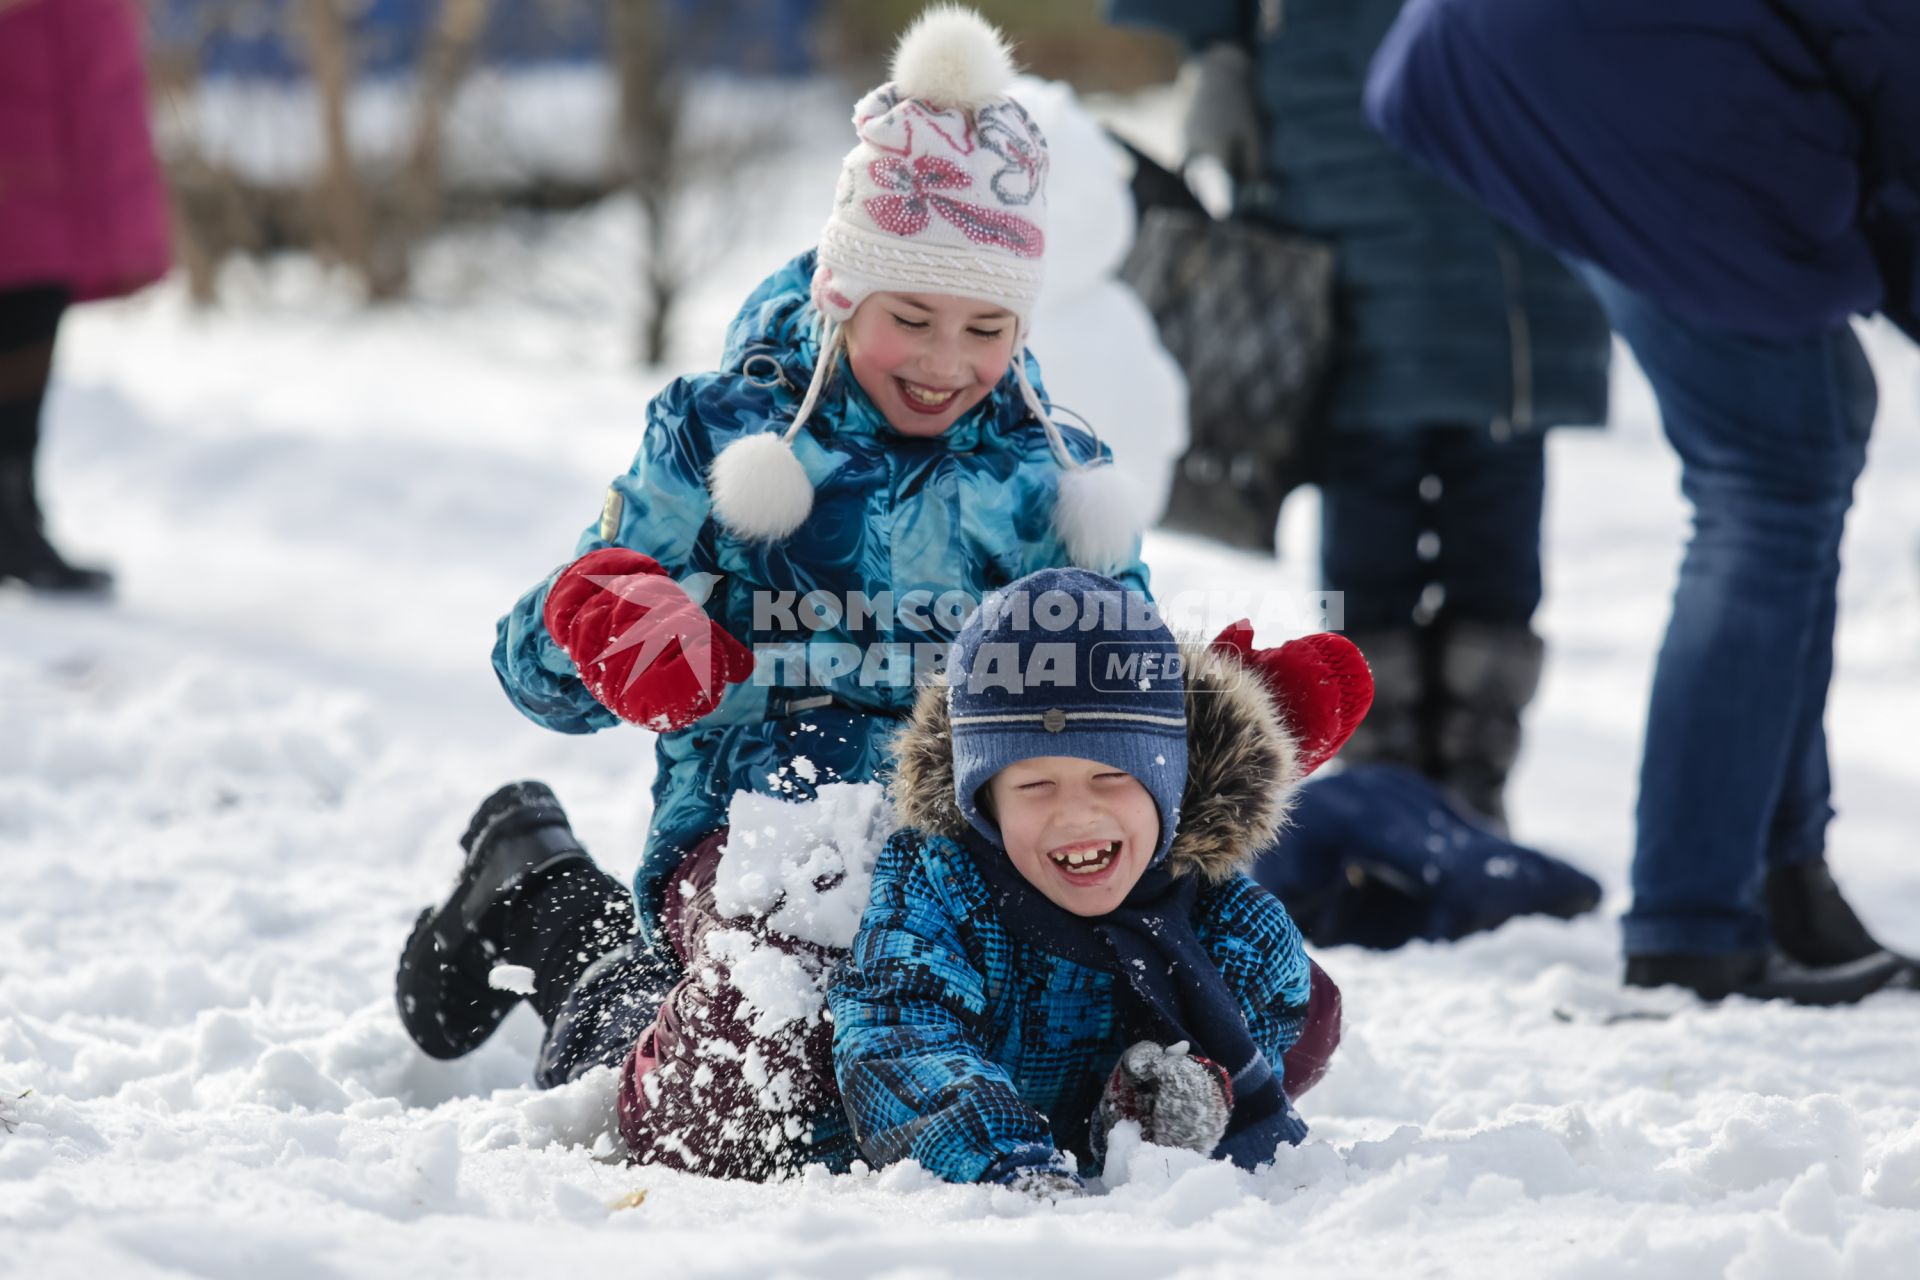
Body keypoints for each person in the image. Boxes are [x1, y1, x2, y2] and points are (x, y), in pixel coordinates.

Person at [395, 8, 1169, 1181]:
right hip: (758, 833)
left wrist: (1230, 726)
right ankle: (556, 911)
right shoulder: (722, 438)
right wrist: (611, 621)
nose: (947, 362)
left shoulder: (1050, 478)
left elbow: (1132, 691)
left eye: (987, 327)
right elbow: (533, 668)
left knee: (1053, 1063)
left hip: (975, 851)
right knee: (744, 1114)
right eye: (909, 317)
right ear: (845, 293)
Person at [1365, 0, 1920, 1003]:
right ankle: (1696, 916)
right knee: (1769, 476)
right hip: (1626, 70)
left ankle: (1779, 878)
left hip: (1547, 52)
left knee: (1811, 420)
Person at [1108, 0, 1613, 833]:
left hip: (1471, 120)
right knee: (1433, 462)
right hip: (1380, 123)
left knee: (1455, 463)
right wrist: (1217, 51)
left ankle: (1432, 776)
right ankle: (1413, 776)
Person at [830, 568, 1364, 1194]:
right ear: (985, 802)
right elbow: (899, 1031)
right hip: (940, 1125)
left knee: (1311, 1000)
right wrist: (1007, 1163)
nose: (1077, 814)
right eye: (1034, 784)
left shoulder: (1229, 920)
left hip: (1092, 1098)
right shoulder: (942, 883)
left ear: (1168, 785)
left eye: (1111, 776)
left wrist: (1165, 1111)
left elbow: (1260, 1032)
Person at [0, 0, 171, 594]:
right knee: (23, 283)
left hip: (68, 67)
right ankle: (10, 516)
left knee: (36, 287)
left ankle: (15, 508)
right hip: (19, 69)